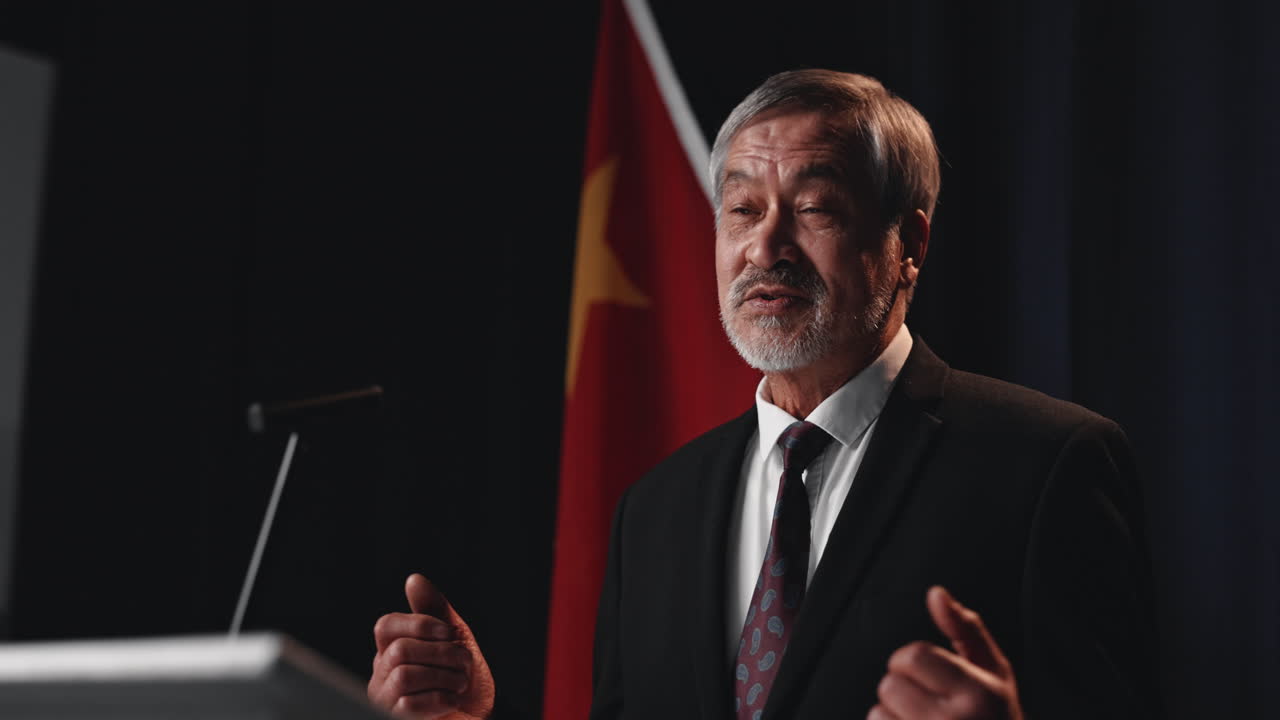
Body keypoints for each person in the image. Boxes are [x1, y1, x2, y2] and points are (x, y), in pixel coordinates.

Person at [367, 70, 1158, 719]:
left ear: (908, 245)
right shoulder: (656, 509)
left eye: (813, 208)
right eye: (742, 210)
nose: (766, 245)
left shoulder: (1046, 465)